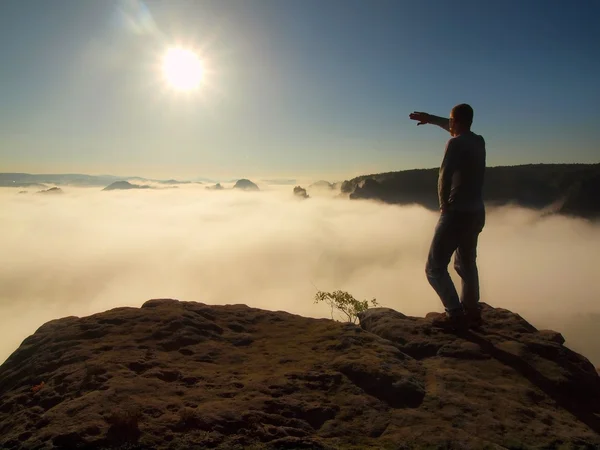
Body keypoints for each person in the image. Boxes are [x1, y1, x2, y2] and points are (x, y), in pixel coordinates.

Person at [409, 105, 486, 329]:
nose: (448, 124)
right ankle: (472, 311)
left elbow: (444, 176)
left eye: (451, 120)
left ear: (456, 121)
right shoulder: (478, 141)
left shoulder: (455, 143)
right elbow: (454, 127)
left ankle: (454, 314)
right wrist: (431, 119)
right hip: (477, 212)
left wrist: (443, 205)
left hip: (456, 213)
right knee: (466, 264)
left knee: (434, 269)